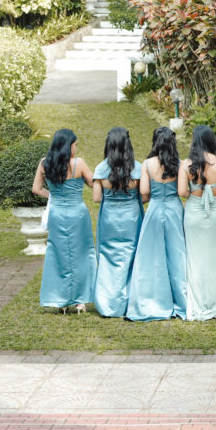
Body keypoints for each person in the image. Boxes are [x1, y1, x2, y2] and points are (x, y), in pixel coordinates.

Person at [31, 128, 96, 313]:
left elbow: (36, 189)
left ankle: (60, 299)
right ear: (68, 146)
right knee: (82, 254)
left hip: (57, 213)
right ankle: (80, 300)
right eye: (75, 145)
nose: (76, 148)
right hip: (77, 214)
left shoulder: (44, 163)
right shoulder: (78, 164)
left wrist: (53, 195)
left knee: (58, 254)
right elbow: (94, 183)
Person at [127, 127, 187, 321]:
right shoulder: (179, 164)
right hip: (174, 210)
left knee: (152, 256)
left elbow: (144, 191)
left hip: (154, 209)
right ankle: (182, 300)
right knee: (177, 254)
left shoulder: (147, 164)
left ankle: (153, 300)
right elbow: (182, 190)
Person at [178, 124, 216, 320]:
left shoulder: (187, 164)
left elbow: (182, 192)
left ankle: (198, 303)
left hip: (194, 213)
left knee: (195, 259)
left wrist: (198, 194)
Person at [91, 127, 142, 318]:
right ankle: (129, 300)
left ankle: (107, 303)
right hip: (132, 217)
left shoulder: (101, 169)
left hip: (110, 219)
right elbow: (145, 195)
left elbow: (96, 198)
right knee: (131, 255)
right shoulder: (138, 168)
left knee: (108, 257)